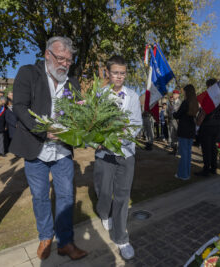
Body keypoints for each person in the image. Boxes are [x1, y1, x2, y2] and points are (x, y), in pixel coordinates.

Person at [9, 36, 87, 261]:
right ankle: (45, 237)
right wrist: (44, 131)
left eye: (69, 60)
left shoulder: (72, 83)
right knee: (40, 196)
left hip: (62, 150)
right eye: (60, 58)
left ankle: (65, 242)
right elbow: (19, 107)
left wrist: (84, 115)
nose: (64, 64)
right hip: (36, 149)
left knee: (66, 196)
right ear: (47, 54)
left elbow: (78, 115)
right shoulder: (28, 73)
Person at [93, 55, 142, 260]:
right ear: (108, 73)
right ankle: (104, 213)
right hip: (104, 153)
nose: (119, 76)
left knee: (122, 196)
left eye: (122, 73)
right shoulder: (99, 95)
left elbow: (137, 124)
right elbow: (91, 123)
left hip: (126, 153)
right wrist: (99, 139)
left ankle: (121, 238)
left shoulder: (133, 96)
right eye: (115, 73)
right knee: (104, 192)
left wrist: (123, 136)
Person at [196, 78, 220, 177]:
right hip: (217, 126)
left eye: (207, 86)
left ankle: (206, 169)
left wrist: (197, 125)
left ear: (209, 86)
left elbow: (203, 113)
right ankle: (214, 168)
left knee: (207, 149)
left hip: (207, 126)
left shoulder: (209, 96)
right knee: (213, 149)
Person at [173, 84, 198, 180]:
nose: (183, 93)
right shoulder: (195, 103)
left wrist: (174, 113)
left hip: (184, 130)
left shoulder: (185, 102)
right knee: (188, 154)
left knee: (184, 154)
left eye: (184, 91)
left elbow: (177, 115)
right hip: (191, 130)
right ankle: (186, 173)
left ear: (187, 92)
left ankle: (183, 174)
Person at [167, 89, 181, 154]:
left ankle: (178, 150)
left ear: (178, 95)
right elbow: (169, 112)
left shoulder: (180, 103)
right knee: (172, 136)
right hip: (171, 120)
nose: (173, 95)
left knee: (177, 136)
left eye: (175, 94)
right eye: (173, 94)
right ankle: (174, 149)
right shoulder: (171, 103)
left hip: (177, 122)